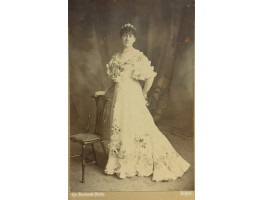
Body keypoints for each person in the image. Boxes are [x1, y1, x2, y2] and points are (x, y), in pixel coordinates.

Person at [100, 23, 190, 182]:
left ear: (134, 39)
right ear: (121, 37)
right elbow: (115, 80)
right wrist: (105, 92)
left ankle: (136, 163)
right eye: (125, 35)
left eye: (131, 35)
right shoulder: (116, 57)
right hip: (119, 98)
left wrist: (143, 93)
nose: (127, 38)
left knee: (136, 127)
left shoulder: (137, 56)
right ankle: (122, 163)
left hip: (133, 97)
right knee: (121, 126)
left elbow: (150, 76)